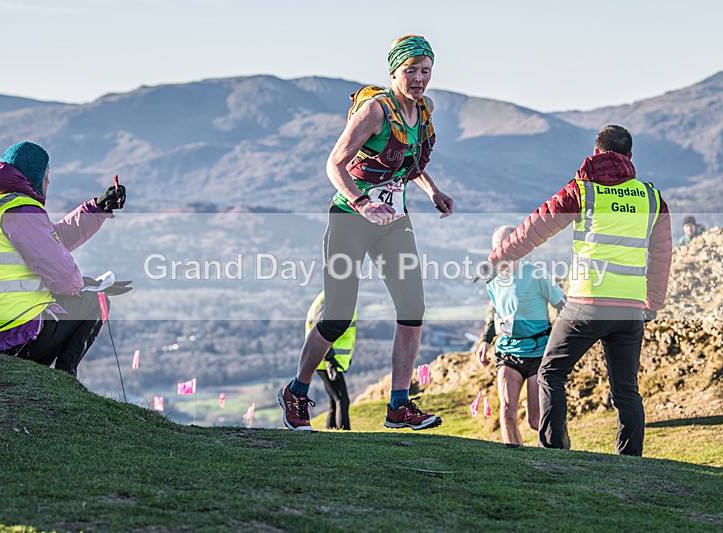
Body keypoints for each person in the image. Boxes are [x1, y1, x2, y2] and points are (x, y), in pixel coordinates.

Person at [278, 34, 454, 431]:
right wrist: (361, 203)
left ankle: (399, 406)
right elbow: (334, 164)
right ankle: (296, 391)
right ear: (394, 72)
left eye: (426, 71)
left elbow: (408, 160)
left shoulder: (424, 110)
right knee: (337, 318)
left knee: (412, 311)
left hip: (392, 222)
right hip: (350, 219)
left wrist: (433, 191)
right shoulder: (375, 111)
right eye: (411, 70)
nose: (419, 79)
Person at [482, 125, 672, 456]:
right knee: (626, 389)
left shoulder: (583, 191)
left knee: (550, 373)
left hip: (587, 304)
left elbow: (534, 228)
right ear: (629, 156)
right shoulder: (652, 198)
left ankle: (554, 449)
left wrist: (497, 258)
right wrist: (652, 303)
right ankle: (631, 460)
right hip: (630, 308)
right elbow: (662, 255)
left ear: (596, 153)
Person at [0, 141, 127, 377]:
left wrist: (97, 208)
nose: (48, 182)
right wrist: (89, 285)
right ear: (36, 177)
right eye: (47, 175)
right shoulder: (22, 210)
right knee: (95, 299)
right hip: (12, 336)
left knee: (82, 290)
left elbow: (49, 241)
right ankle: (65, 378)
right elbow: (66, 280)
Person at [476, 226, 566, 447]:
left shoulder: (536, 275)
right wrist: (486, 340)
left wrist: (559, 343)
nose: (500, 253)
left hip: (538, 352)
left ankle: (562, 449)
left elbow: (563, 306)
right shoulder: (492, 279)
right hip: (508, 352)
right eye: (496, 248)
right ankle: (516, 462)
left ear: (518, 246)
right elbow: (496, 312)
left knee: (536, 420)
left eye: (505, 247)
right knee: (507, 413)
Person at [306, 290, 356, 430]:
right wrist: (330, 359)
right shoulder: (332, 297)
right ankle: (346, 437)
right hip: (327, 360)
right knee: (342, 400)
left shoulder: (337, 295)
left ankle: (331, 434)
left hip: (329, 359)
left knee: (334, 401)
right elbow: (319, 329)